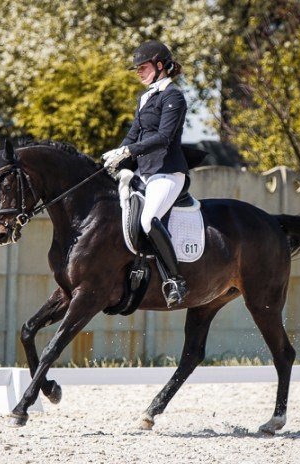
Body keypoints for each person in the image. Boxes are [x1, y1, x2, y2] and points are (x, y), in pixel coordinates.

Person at [102, 40, 189, 307]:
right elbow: (133, 135)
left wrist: (128, 151)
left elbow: (163, 137)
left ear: (160, 65)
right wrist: (114, 156)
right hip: (145, 173)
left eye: (143, 67)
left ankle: (175, 280)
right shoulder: (144, 98)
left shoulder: (172, 96)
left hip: (168, 173)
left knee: (149, 219)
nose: (138, 72)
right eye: (137, 68)